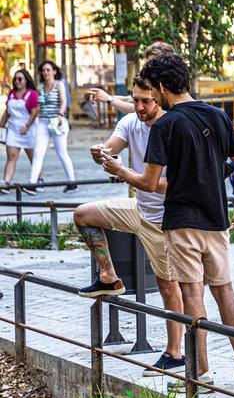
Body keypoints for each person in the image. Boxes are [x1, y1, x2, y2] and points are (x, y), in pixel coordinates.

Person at [102, 53, 234, 393]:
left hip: (181, 222)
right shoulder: (219, 115)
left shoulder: (165, 125)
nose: (153, 99)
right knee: (225, 290)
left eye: (153, 92)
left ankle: (200, 374)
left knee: (193, 296)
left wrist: (120, 171)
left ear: (161, 86)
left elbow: (149, 183)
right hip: (217, 219)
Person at [74, 76, 187, 376]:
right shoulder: (130, 122)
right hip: (138, 209)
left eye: (145, 101)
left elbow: (168, 185)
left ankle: (174, 353)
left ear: (159, 98)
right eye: (135, 99)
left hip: (164, 219)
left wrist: (124, 172)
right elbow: (111, 149)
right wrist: (102, 154)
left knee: (167, 284)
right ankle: (109, 276)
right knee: (82, 215)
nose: (139, 106)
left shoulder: (172, 127)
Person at [90, 42, 177, 117]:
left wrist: (110, 100)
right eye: (149, 63)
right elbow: (134, 99)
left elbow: (148, 110)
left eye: (154, 63)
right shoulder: (155, 82)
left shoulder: (170, 85)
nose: (150, 68)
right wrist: (106, 97)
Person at [29, 60, 76, 192]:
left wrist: (60, 114)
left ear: (54, 71)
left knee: (62, 152)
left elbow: (63, 101)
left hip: (57, 121)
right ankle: (33, 183)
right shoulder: (40, 86)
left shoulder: (59, 84)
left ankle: (72, 182)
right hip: (43, 122)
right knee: (38, 152)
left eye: (48, 70)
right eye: (43, 70)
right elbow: (38, 105)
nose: (45, 73)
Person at [1, 69, 37, 192]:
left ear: (26, 80)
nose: (17, 81)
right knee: (11, 156)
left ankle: (39, 179)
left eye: (20, 79)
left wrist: (27, 126)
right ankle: (6, 182)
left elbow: (34, 112)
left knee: (33, 157)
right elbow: (7, 112)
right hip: (13, 129)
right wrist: (1, 125)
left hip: (28, 130)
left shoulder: (32, 94)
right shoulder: (11, 94)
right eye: (15, 79)